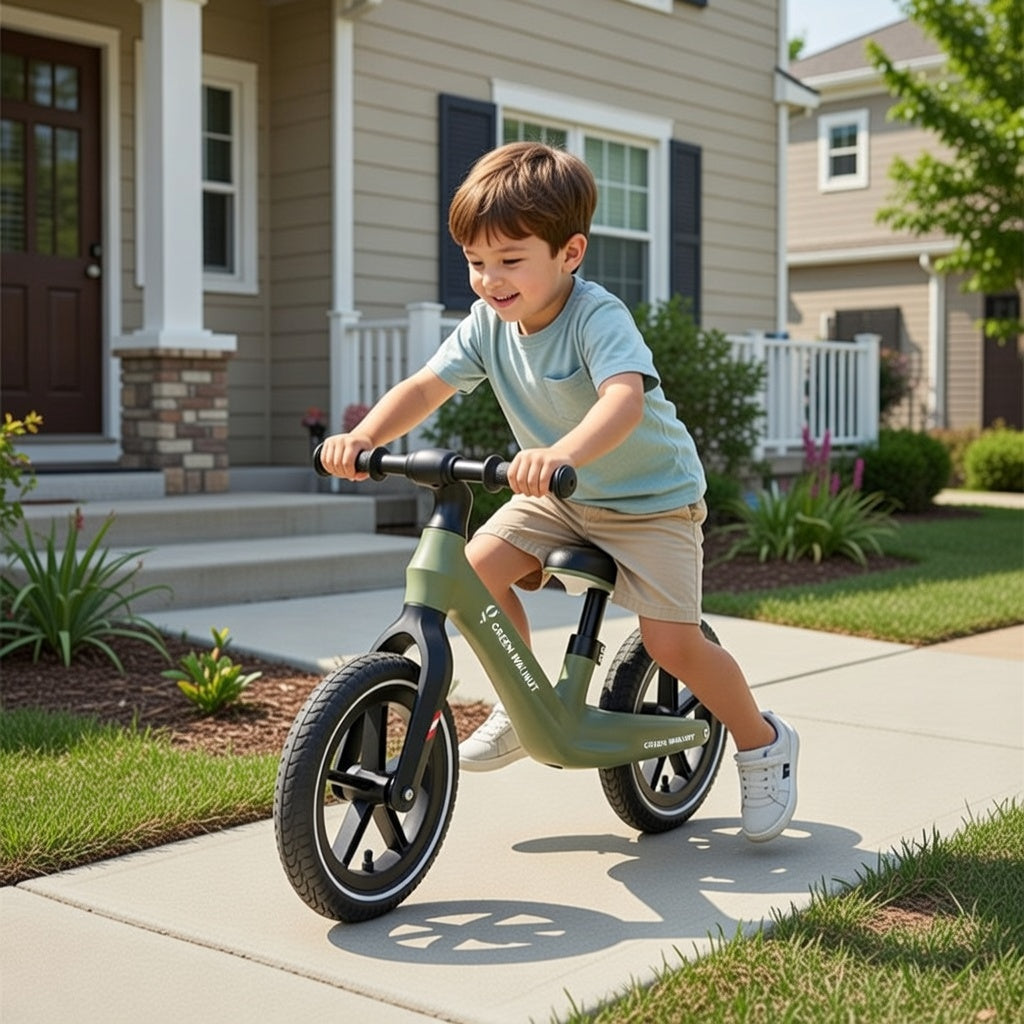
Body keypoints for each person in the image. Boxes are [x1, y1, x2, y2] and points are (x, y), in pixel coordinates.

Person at [317, 141, 799, 843]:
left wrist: (559, 453)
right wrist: (363, 436)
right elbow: (427, 385)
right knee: (475, 574)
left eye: (510, 261)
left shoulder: (595, 316)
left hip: (648, 500)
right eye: (476, 263)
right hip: (561, 494)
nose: (489, 280)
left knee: (672, 644)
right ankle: (524, 702)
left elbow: (623, 401)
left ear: (569, 254)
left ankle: (762, 744)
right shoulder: (489, 323)